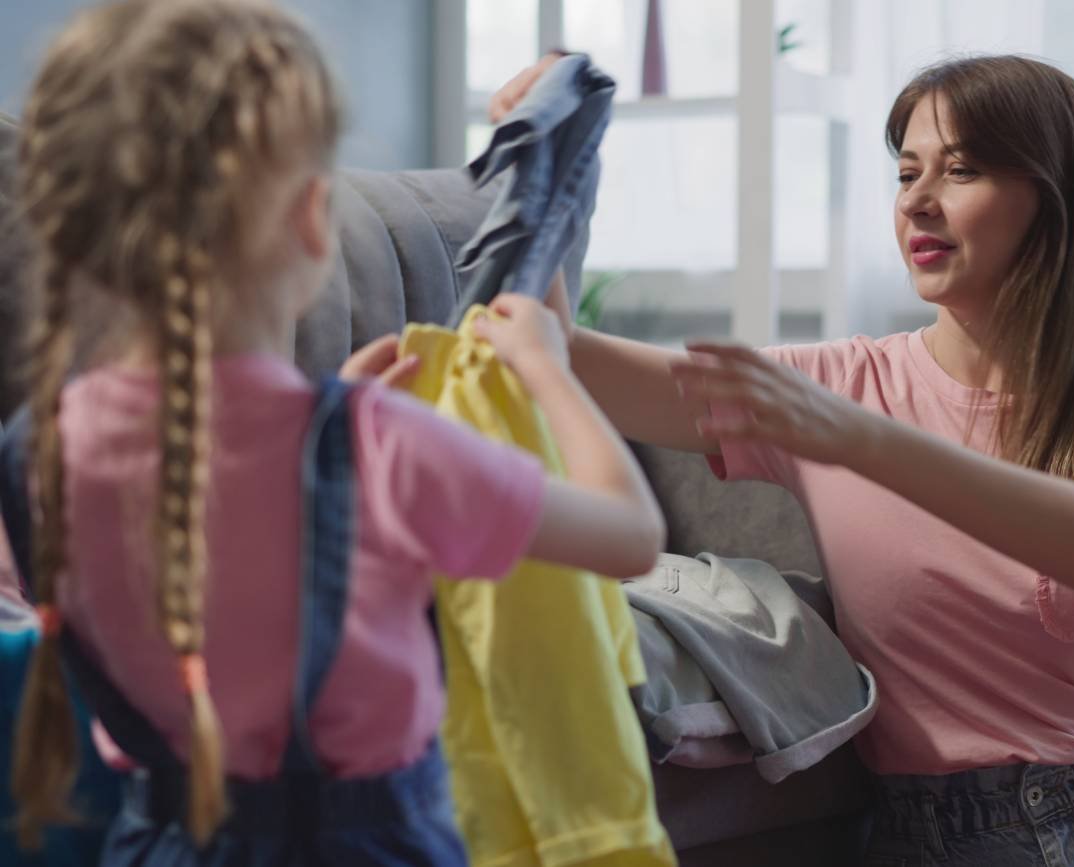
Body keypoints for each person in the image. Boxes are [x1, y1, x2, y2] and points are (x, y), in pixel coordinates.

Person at [501, 52, 1074, 865]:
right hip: (945, 840)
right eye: (907, 171)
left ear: (1055, 200)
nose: (918, 199)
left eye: (962, 169)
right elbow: (565, 358)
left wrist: (855, 437)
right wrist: (551, 165)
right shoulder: (837, 385)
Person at [6, 1, 663, 864]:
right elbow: (630, 534)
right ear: (313, 217)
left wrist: (332, 436)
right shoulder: (377, 443)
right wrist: (547, 363)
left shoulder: (37, 449)